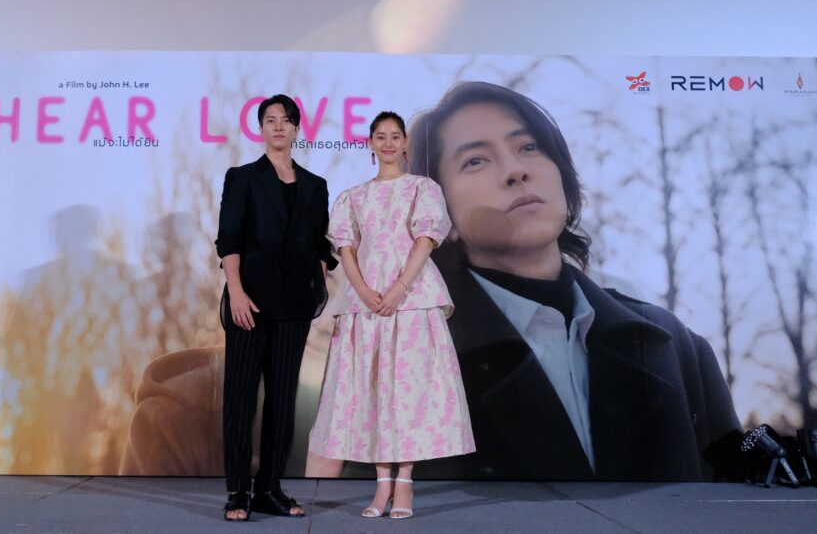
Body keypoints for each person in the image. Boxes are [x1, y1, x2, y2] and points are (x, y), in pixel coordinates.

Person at [407, 81, 742, 480]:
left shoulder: (673, 345)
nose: (516, 170)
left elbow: (730, 503)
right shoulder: (411, 358)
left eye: (529, 147)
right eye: (476, 160)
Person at [307, 111, 474, 519]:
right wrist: (364, 291)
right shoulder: (353, 197)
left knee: (407, 391)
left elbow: (425, 240)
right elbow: (346, 249)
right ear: (370, 144)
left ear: (405, 144)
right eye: (379, 136)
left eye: (394, 136)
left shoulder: (422, 189)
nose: (387, 143)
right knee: (373, 390)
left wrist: (399, 288)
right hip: (365, 302)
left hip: (412, 298)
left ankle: (405, 485)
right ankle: (382, 485)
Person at [215, 95, 336, 521]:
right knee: (240, 399)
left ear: (297, 128)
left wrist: (319, 271)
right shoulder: (242, 178)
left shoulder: (315, 185)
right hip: (248, 303)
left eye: (286, 120)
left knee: (283, 401)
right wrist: (236, 291)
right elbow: (228, 238)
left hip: (295, 306)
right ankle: (237, 491)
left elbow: (320, 242)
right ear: (261, 129)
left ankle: (269, 487)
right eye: (270, 120)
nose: (278, 126)